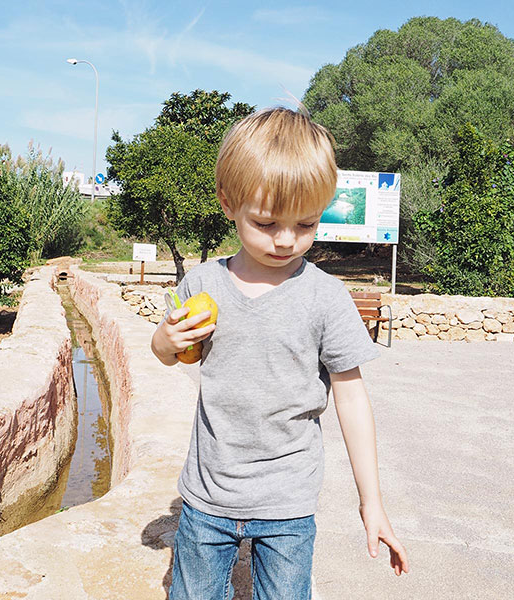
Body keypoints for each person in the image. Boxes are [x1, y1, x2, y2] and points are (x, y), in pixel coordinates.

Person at [151, 106, 409, 599]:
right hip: (208, 496)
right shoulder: (202, 283)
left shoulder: (325, 297)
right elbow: (169, 352)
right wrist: (166, 341)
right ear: (228, 204)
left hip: (289, 501)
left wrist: (371, 502)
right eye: (267, 222)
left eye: (306, 224)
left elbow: (352, 400)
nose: (287, 240)